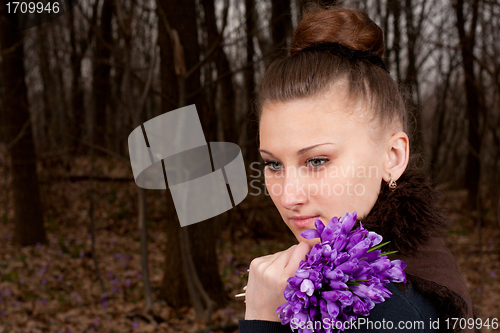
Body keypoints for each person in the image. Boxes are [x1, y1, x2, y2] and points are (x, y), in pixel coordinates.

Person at [238, 5, 478, 333]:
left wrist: (262, 320)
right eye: (274, 164)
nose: (288, 196)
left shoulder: (389, 309)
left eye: (316, 161)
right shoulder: (411, 258)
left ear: (392, 157)